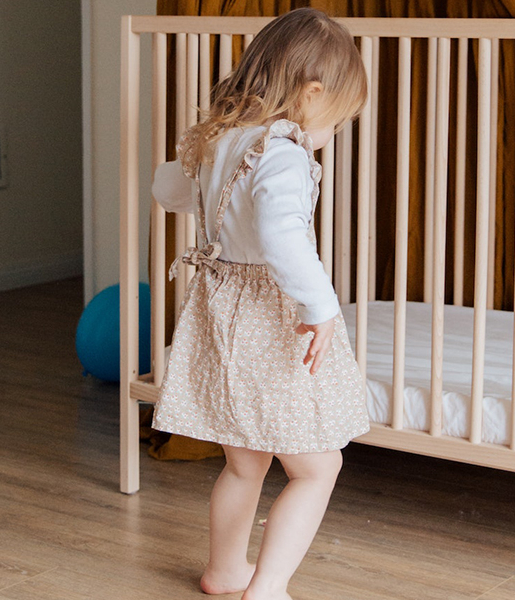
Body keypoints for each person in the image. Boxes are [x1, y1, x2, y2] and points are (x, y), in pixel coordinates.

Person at [150, 8, 370, 600]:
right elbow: (282, 237)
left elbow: (165, 189)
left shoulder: (219, 140)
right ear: (312, 92)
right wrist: (319, 306)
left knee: (245, 463)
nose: (331, 134)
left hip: (220, 308)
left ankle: (224, 572)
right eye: (337, 120)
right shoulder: (285, 154)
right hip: (272, 319)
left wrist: (202, 175)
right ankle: (268, 587)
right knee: (317, 468)